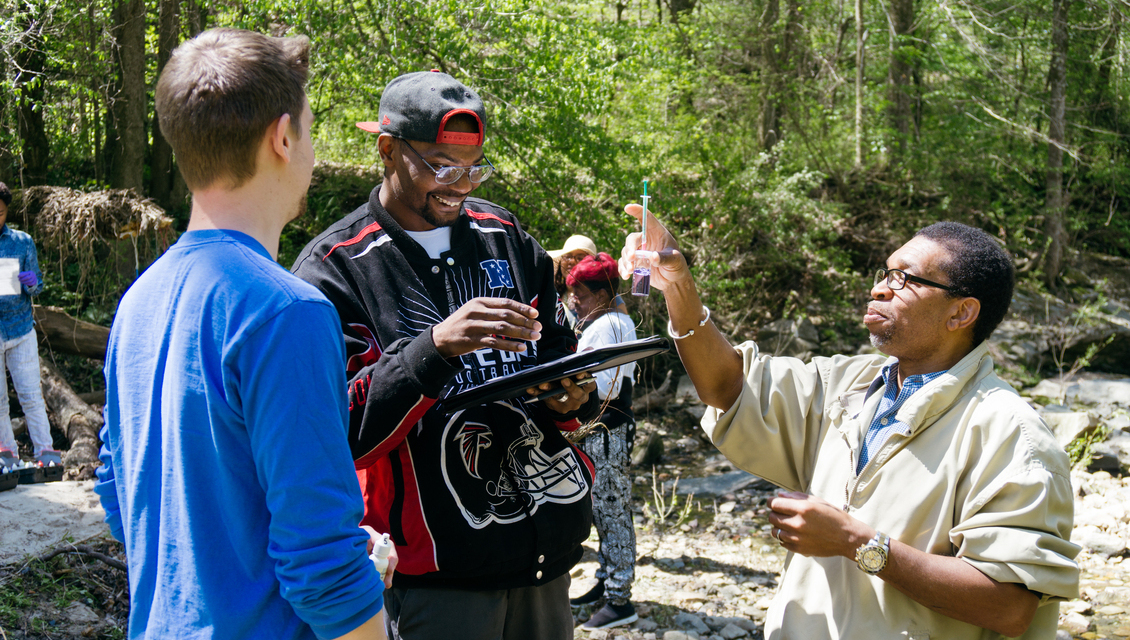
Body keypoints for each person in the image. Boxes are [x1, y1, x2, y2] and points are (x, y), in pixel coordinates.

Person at [620, 210, 1080, 640]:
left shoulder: (1010, 434)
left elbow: (1009, 604)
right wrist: (677, 286)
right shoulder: (848, 384)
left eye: (906, 280)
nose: (880, 289)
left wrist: (857, 543)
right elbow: (727, 386)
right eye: (884, 273)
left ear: (961, 313)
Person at [93, 29, 388, 640]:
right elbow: (322, 571)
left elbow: (125, 499)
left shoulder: (137, 302)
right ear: (283, 137)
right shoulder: (286, 312)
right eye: (308, 126)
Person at [291, 70, 599, 640]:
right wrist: (434, 348)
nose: (460, 184)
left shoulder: (502, 233)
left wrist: (570, 394)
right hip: (434, 579)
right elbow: (341, 430)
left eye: (474, 166)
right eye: (439, 165)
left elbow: (556, 348)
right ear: (387, 150)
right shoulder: (334, 269)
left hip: (545, 564)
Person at [565, 253, 640, 630]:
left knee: (611, 510)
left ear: (598, 293)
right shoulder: (617, 320)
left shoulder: (605, 326)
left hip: (605, 428)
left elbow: (597, 384)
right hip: (607, 427)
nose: (573, 300)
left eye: (578, 292)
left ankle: (619, 599)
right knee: (604, 507)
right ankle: (605, 581)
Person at [0, 181, 59, 472]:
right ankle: (7, 456)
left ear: (7, 211)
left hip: (21, 328)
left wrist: (33, 284)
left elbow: (38, 285)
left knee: (31, 394)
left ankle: (46, 452)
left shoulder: (22, 242)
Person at [549, 234, 597, 329]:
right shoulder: (552, 293)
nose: (571, 261)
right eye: (567, 256)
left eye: (580, 258)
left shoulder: (602, 295)